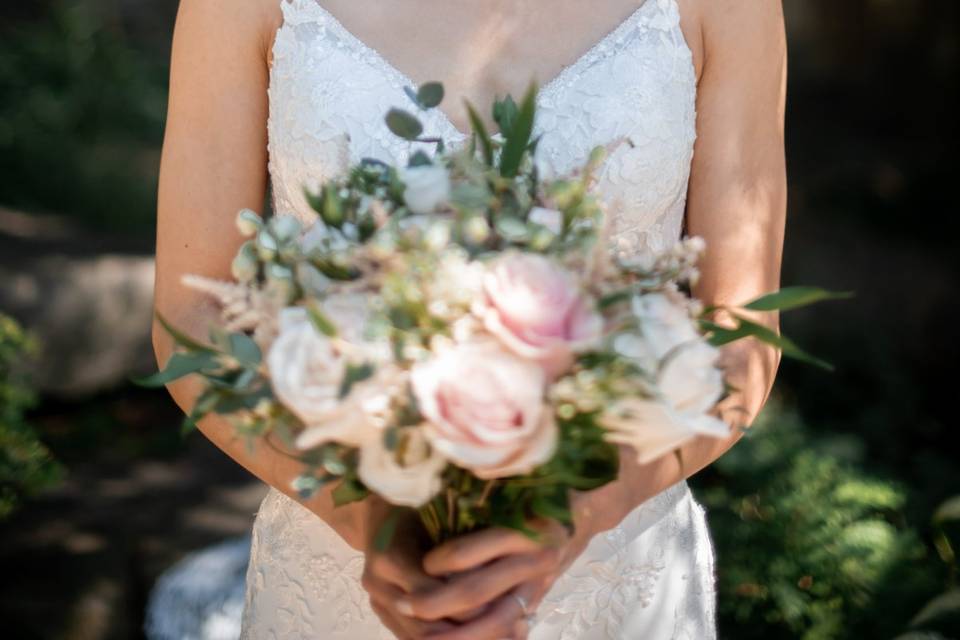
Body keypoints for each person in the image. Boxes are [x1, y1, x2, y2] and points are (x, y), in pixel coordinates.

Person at [153, 0, 786, 637]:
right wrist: (366, 516)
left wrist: (584, 511)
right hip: (339, 580)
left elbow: (739, 337)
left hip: (614, 583)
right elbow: (193, 315)